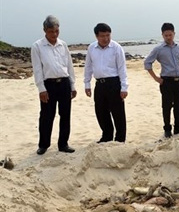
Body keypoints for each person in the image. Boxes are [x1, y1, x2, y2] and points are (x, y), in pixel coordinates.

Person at [31, 15, 77, 155]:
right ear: (44, 30)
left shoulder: (63, 45)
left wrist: (73, 85)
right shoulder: (37, 46)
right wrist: (41, 89)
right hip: (48, 85)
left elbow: (69, 66)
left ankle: (63, 144)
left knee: (65, 115)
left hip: (64, 83)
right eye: (51, 31)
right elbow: (37, 69)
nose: (54, 34)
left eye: (57, 31)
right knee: (46, 116)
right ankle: (43, 144)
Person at [144, 23, 179, 138]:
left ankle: (178, 128)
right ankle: (167, 129)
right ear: (162, 35)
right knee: (167, 106)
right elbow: (147, 63)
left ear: (174, 33)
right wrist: (156, 78)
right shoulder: (158, 49)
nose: (168, 37)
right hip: (166, 81)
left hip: (178, 80)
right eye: (166, 35)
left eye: (170, 35)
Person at [84, 23, 128, 143]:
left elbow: (122, 68)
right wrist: (87, 84)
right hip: (100, 84)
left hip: (114, 83)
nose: (106, 38)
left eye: (108, 35)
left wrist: (124, 87)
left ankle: (120, 139)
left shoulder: (116, 48)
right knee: (101, 112)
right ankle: (107, 136)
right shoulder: (91, 48)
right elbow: (88, 67)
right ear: (96, 36)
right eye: (102, 36)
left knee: (118, 112)